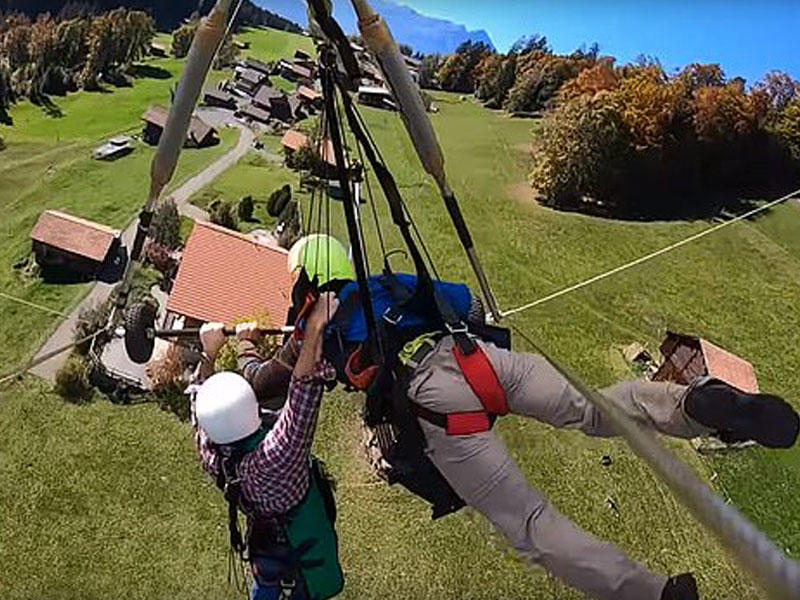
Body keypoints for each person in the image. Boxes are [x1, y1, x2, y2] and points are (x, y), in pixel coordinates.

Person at [237, 235, 800, 600]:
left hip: (438, 409)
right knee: (596, 409)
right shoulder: (385, 283)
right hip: (478, 359)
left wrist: (239, 342)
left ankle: (653, 594)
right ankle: (694, 404)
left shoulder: (314, 325)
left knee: (531, 524)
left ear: (306, 277)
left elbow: (269, 382)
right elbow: (467, 306)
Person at [192, 292, 344, 600]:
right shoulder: (278, 455)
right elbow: (303, 386)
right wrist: (315, 325)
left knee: (266, 587)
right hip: (305, 557)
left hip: (265, 553)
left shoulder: (214, 456)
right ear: (252, 407)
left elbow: (198, 411)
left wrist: (208, 355)